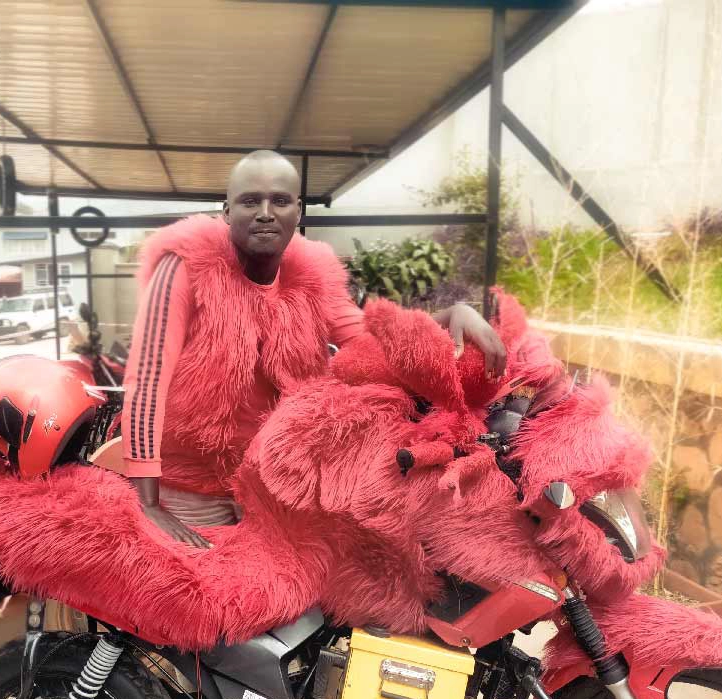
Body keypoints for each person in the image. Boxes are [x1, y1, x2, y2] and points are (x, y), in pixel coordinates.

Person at [121, 150, 506, 548]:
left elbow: (371, 342)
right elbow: (147, 379)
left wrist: (451, 315)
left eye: (280, 201)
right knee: (199, 598)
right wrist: (148, 502)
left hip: (279, 483)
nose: (266, 213)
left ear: (298, 211)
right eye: (250, 201)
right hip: (193, 487)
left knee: (292, 602)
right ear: (226, 210)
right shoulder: (186, 266)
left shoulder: (312, 276)